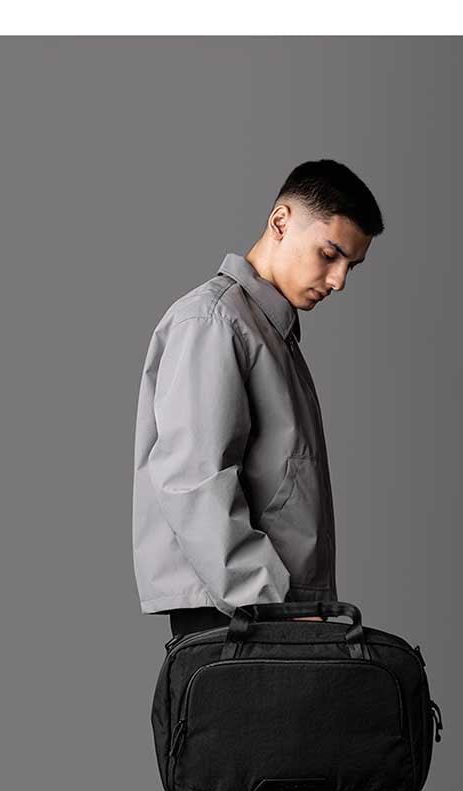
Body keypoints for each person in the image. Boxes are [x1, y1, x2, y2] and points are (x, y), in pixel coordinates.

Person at [132, 158, 383, 639]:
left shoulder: (268, 332)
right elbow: (193, 481)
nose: (339, 280)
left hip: (275, 612)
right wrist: (271, 604)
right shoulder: (214, 322)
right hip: (240, 613)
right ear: (281, 222)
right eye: (329, 254)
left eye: (350, 265)